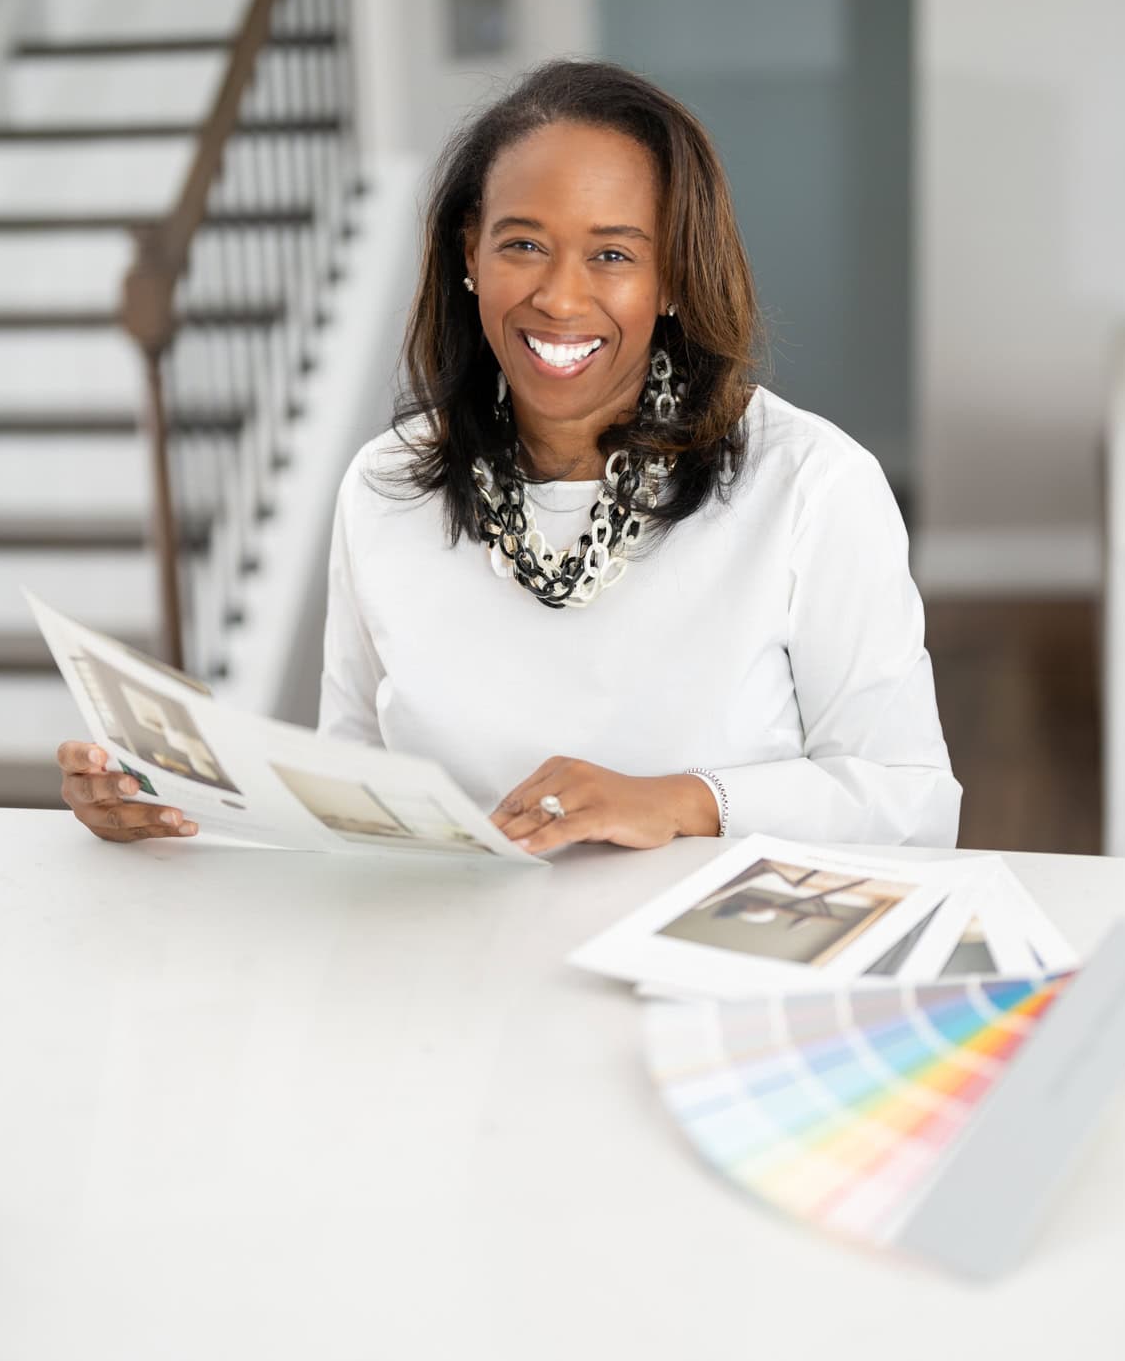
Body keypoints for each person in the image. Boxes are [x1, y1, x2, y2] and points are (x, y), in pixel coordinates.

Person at [59, 58, 961, 856]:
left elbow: (913, 801)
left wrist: (683, 802)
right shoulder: (384, 487)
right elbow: (352, 781)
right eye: (523, 244)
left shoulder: (809, 486)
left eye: (612, 254)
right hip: (452, 985)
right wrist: (178, 806)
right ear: (470, 255)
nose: (560, 298)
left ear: (675, 277)